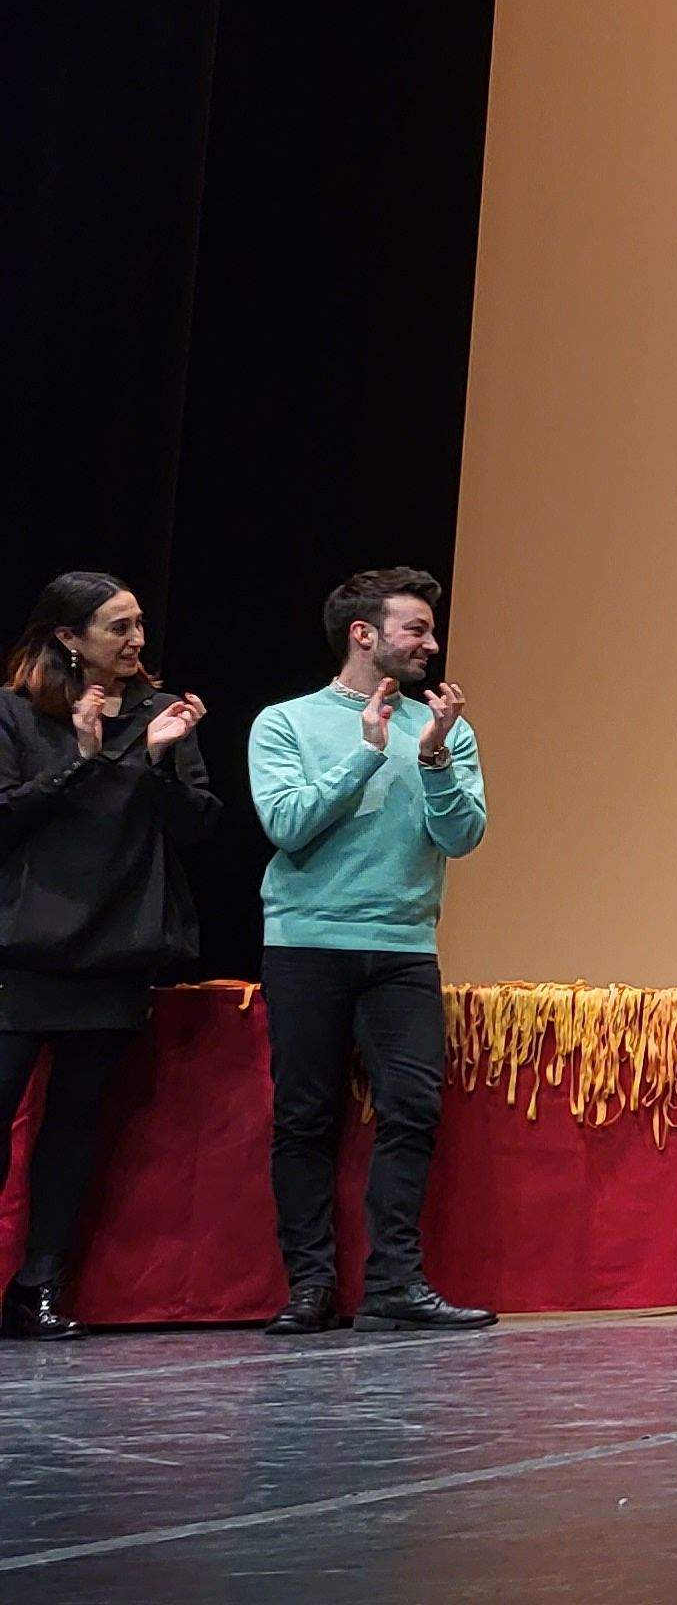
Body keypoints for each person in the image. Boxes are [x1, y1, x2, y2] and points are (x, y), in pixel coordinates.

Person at [247, 568, 495, 1333]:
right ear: (365, 634)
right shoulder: (284, 723)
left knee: (413, 1110)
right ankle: (312, 1287)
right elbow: (287, 826)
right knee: (306, 1118)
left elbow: (464, 837)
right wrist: (365, 754)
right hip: (308, 945)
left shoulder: (442, 727)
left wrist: (432, 758)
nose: (431, 643)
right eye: (415, 629)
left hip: (402, 948)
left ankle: (394, 1284)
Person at [0, 574, 220, 1340]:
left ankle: (38, 1288)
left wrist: (160, 760)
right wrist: (85, 759)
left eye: (137, 628)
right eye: (117, 629)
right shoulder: (17, 713)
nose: (135, 643)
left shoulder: (163, 716)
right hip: (22, 948)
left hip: (115, 948)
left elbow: (198, 828)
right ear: (69, 637)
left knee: (75, 1124)